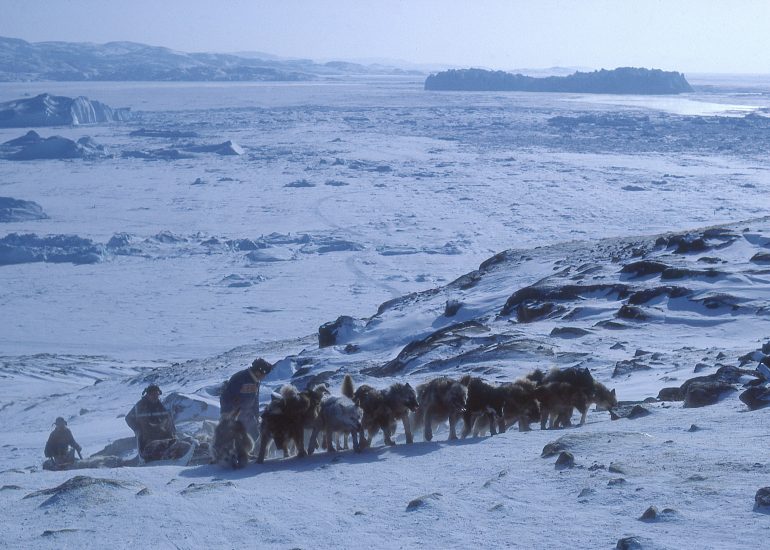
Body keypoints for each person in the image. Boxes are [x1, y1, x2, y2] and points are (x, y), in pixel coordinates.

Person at [126, 384, 190, 462]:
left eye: (157, 394)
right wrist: (137, 429)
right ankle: (166, 455)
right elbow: (128, 418)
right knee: (156, 447)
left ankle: (175, 453)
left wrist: (172, 431)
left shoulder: (160, 406)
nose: (155, 396)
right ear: (148, 394)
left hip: (164, 436)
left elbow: (168, 419)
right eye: (153, 394)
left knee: (180, 443)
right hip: (148, 439)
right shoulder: (140, 406)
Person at [220, 357, 273, 440]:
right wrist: (227, 415)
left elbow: (255, 400)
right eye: (264, 374)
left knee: (256, 439)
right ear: (258, 371)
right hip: (234, 418)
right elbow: (225, 397)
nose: (264, 377)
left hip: (249, 418)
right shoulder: (239, 378)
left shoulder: (256, 381)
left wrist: (256, 415)